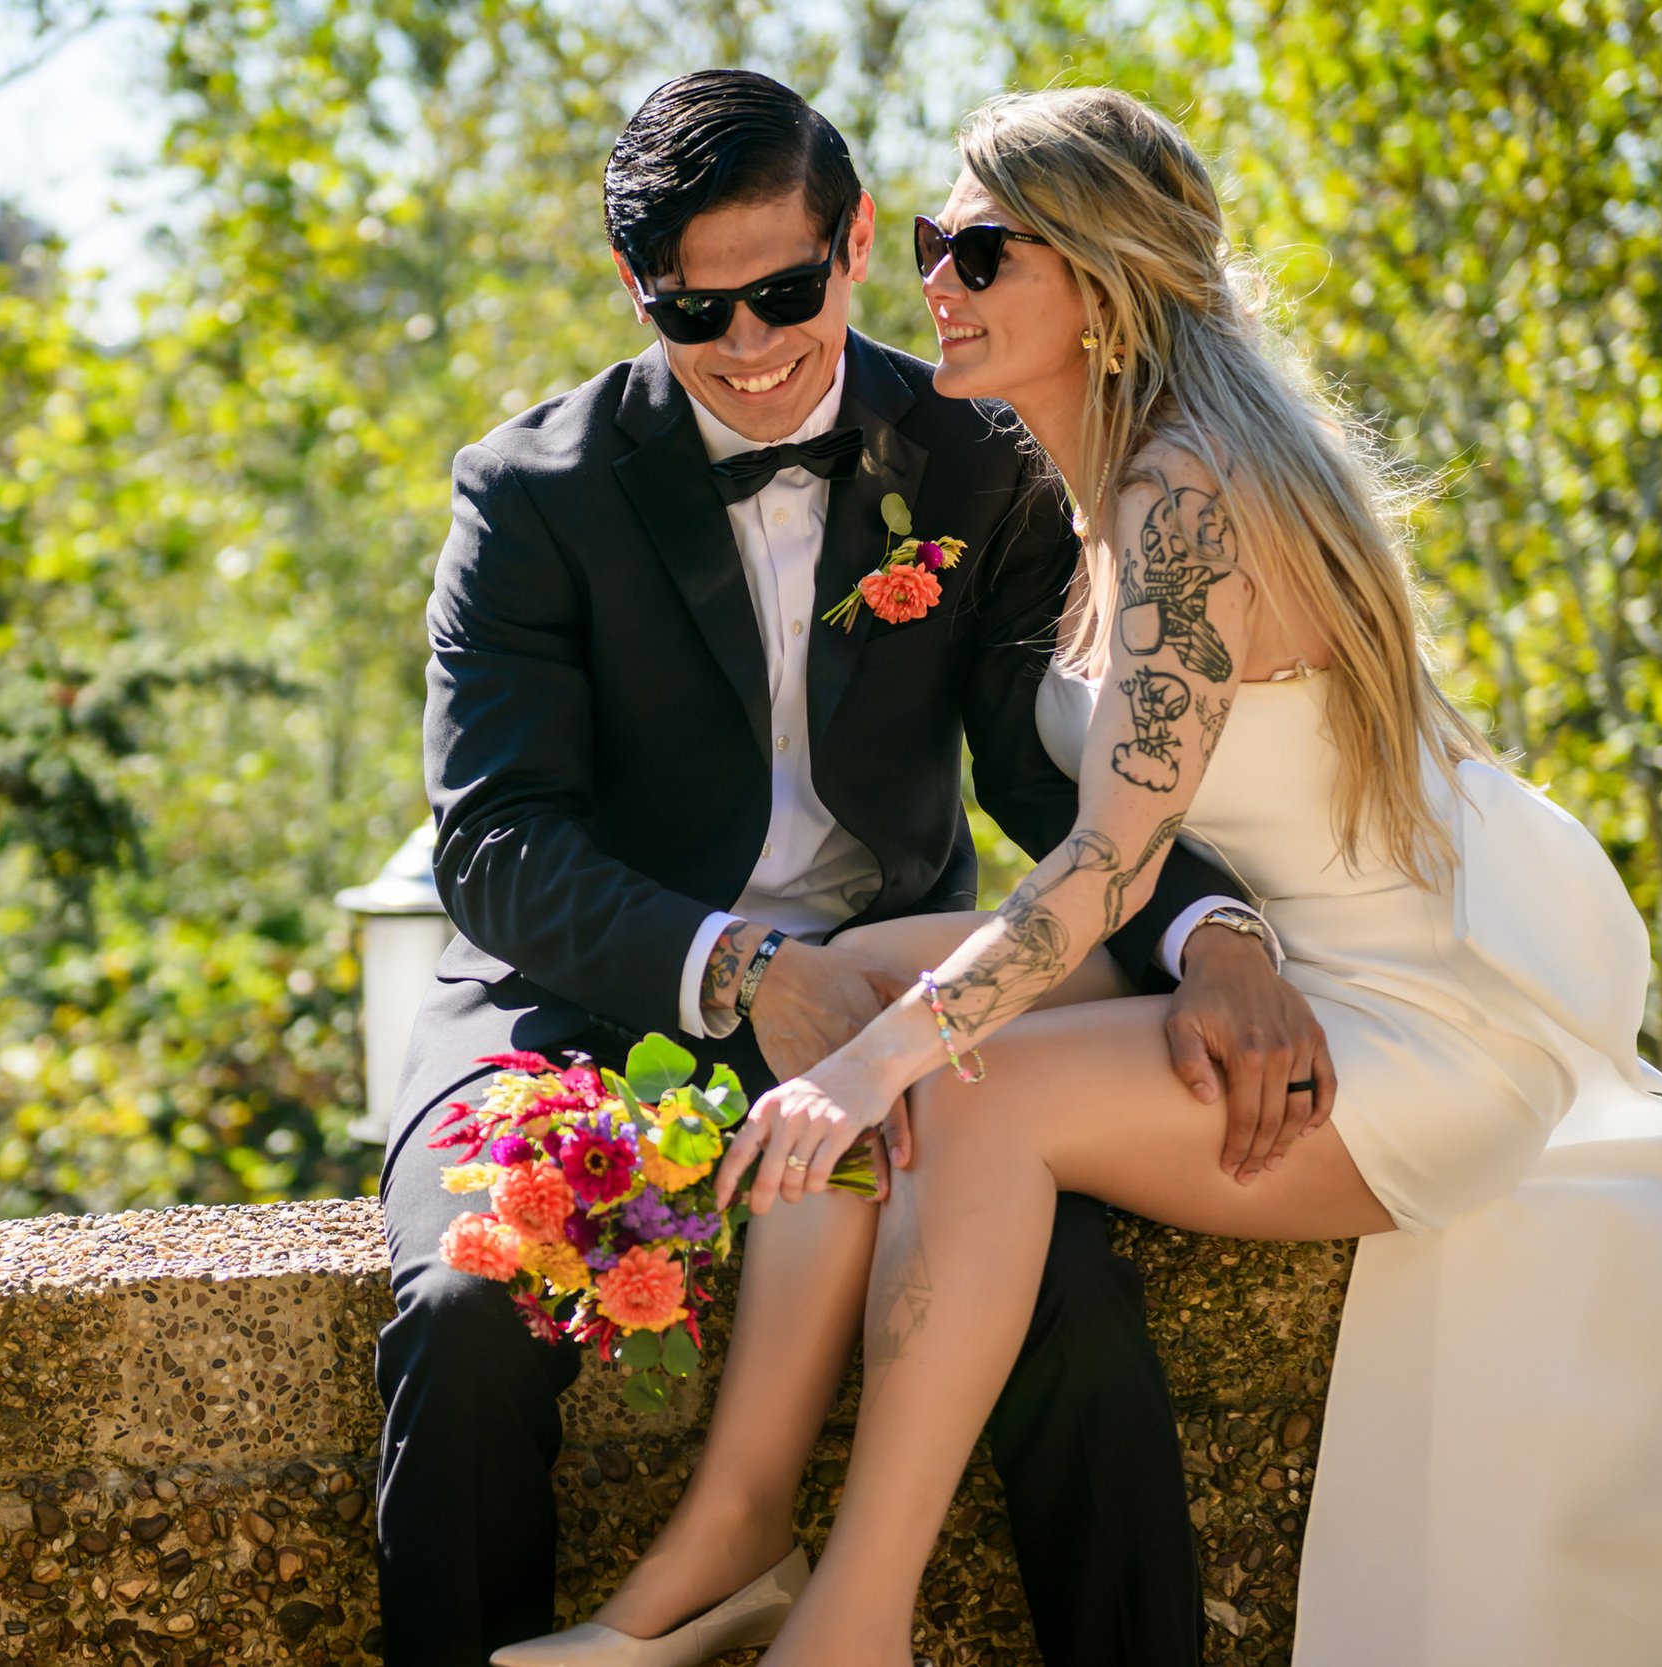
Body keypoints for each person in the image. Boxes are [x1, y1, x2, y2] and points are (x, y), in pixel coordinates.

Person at [508, 84, 1662, 1667]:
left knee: (956, 1088)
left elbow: (1105, 867)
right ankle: (733, 1527)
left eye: (980, 251)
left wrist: (872, 1073)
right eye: (929, 246)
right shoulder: (1093, 480)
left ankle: (853, 1625)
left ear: (1101, 283)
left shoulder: (1187, 496)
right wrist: (866, 1026)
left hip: (1410, 1022)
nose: (935, 286)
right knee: (857, 981)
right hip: (1291, 958)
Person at [376, 69, 1341, 1667]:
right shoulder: (529, 492)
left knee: (1074, 1306)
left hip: (908, 1000)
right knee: (468, 1313)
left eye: (786, 293)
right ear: (636, 291)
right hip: (586, 999)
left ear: (857, 240)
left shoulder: (977, 456)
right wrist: (744, 970)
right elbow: (495, 840)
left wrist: (1215, 934)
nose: (750, 351)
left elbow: (1063, 781)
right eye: (698, 314)